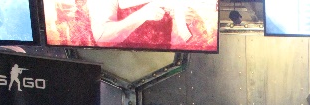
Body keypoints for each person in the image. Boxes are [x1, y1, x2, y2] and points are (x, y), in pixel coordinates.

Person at [86, 0, 217, 50]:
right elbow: (102, 37)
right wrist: (142, 14)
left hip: (163, 58)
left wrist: (183, 17)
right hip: (123, 62)